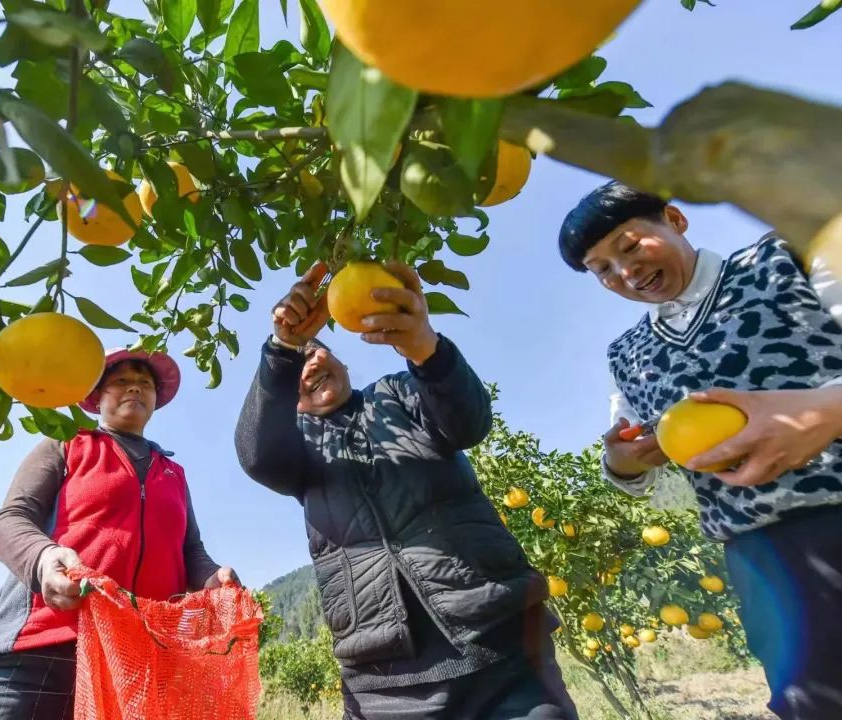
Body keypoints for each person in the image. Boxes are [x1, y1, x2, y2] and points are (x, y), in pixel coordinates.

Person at [235, 260, 578, 719]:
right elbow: (257, 454)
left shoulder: (399, 394)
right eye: (298, 362)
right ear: (288, 395)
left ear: (340, 358)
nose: (310, 363)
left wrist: (425, 349)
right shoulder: (301, 453)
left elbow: (468, 420)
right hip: (384, 683)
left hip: (501, 651)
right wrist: (283, 347)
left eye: (316, 351)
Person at [559, 180, 842, 719]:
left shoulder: (785, 258)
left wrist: (825, 411)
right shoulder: (629, 355)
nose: (624, 272)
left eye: (630, 245)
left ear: (675, 219)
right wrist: (622, 458)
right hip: (761, 556)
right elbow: (629, 464)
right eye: (602, 270)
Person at [0, 348, 237, 720]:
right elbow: (10, 521)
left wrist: (213, 578)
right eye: (121, 382)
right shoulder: (66, 442)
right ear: (97, 397)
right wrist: (44, 561)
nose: (135, 389)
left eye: (144, 384)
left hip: (135, 660)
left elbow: (191, 551)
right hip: (46, 643)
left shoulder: (174, 474)